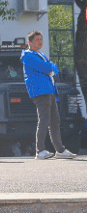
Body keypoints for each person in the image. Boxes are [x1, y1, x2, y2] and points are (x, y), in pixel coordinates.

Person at [21, 30, 76, 159]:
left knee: (55, 121)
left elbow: (54, 68)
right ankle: (40, 151)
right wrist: (50, 69)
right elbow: (47, 68)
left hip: (49, 90)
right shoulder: (28, 56)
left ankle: (60, 150)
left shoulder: (41, 55)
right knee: (44, 120)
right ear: (29, 42)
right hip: (40, 91)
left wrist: (51, 69)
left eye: (41, 39)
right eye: (37, 40)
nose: (40, 42)